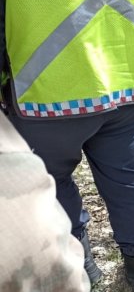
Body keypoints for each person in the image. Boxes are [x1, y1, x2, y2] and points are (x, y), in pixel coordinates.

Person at [0, 0, 134, 291]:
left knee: (52, 182)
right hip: (127, 87)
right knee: (128, 180)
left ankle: (81, 264)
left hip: (45, 96)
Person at [0, 114, 90, 292]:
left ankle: (89, 265)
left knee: (59, 180)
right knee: (128, 181)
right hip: (126, 100)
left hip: (45, 107)